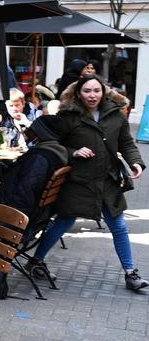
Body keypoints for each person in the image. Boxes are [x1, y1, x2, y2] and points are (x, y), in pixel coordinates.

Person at [26, 76, 147, 291]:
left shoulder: (116, 115)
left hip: (108, 181)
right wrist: (74, 151)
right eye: (87, 91)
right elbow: (54, 144)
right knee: (64, 221)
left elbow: (126, 143)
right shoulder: (69, 116)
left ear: (104, 92)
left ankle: (130, 273)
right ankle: (36, 261)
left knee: (119, 226)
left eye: (96, 91)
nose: (92, 95)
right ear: (79, 93)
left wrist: (136, 162)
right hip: (78, 181)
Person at [0, 115, 70, 233]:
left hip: (8, 213)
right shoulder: (54, 154)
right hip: (17, 210)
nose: (27, 132)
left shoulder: (39, 158)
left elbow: (24, 194)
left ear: (41, 134)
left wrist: (7, 227)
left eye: (32, 129)